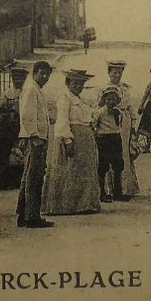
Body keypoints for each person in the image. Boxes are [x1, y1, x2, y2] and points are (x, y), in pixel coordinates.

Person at [44, 68, 102, 215]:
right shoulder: (65, 99)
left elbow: (88, 118)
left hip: (85, 141)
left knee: (83, 172)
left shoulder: (82, 100)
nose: (77, 86)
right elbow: (62, 120)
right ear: (68, 83)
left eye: (80, 84)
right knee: (69, 171)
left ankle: (83, 204)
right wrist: (68, 140)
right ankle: (66, 206)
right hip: (73, 138)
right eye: (75, 83)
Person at [16, 60, 55, 229]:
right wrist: (34, 136)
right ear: (35, 72)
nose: (45, 77)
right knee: (35, 177)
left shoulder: (34, 88)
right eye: (42, 73)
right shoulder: (31, 89)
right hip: (36, 140)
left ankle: (23, 214)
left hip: (38, 138)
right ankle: (32, 216)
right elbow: (27, 115)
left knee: (28, 176)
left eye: (48, 74)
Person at [0, 67, 26, 191]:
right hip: (8, 127)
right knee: (5, 152)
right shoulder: (7, 93)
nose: (18, 81)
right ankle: (5, 181)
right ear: (12, 79)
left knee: (20, 151)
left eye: (21, 78)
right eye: (15, 78)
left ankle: (19, 181)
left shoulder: (27, 92)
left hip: (22, 124)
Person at [105, 60, 141, 197]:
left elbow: (130, 107)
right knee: (111, 153)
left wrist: (133, 125)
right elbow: (99, 105)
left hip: (124, 121)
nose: (117, 75)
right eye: (114, 72)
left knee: (124, 153)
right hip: (110, 121)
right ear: (109, 73)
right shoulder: (104, 88)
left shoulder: (125, 89)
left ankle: (126, 188)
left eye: (120, 72)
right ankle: (110, 188)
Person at [93, 87, 132, 202]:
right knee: (103, 167)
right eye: (108, 99)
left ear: (117, 100)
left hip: (115, 139)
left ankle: (117, 192)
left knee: (118, 165)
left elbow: (118, 125)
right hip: (103, 139)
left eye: (113, 99)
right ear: (104, 100)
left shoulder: (118, 112)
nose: (111, 102)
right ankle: (102, 193)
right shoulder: (99, 112)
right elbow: (94, 124)